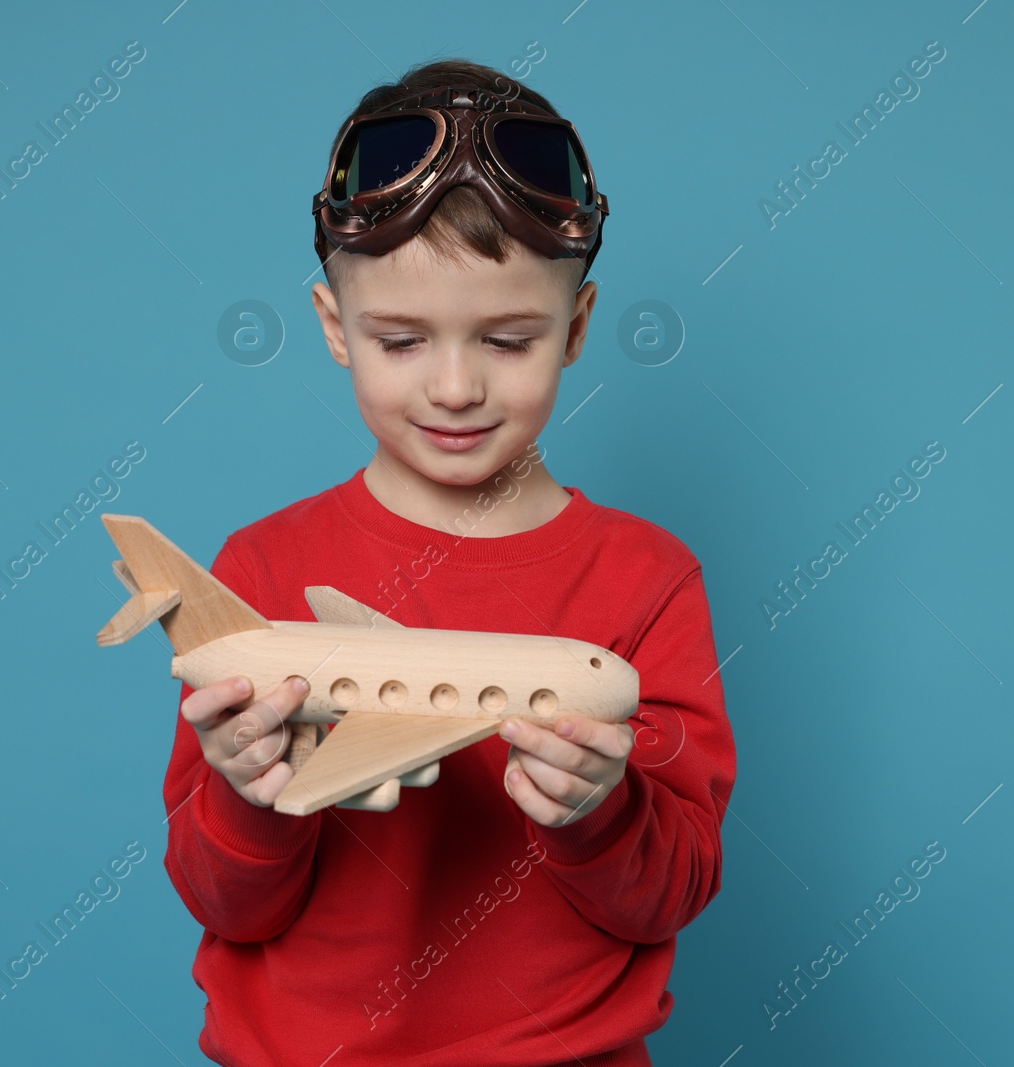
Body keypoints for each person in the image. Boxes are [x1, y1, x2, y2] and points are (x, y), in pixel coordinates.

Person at [161, 57, 737, 1066]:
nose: (457, 385)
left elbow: (671, 891)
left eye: (509, 339)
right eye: (402, 339)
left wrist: (603, 813)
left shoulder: (649, 578)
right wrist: (247, 793)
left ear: (577, 329)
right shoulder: (260, 565)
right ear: (337, 330)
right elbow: (224, 904)